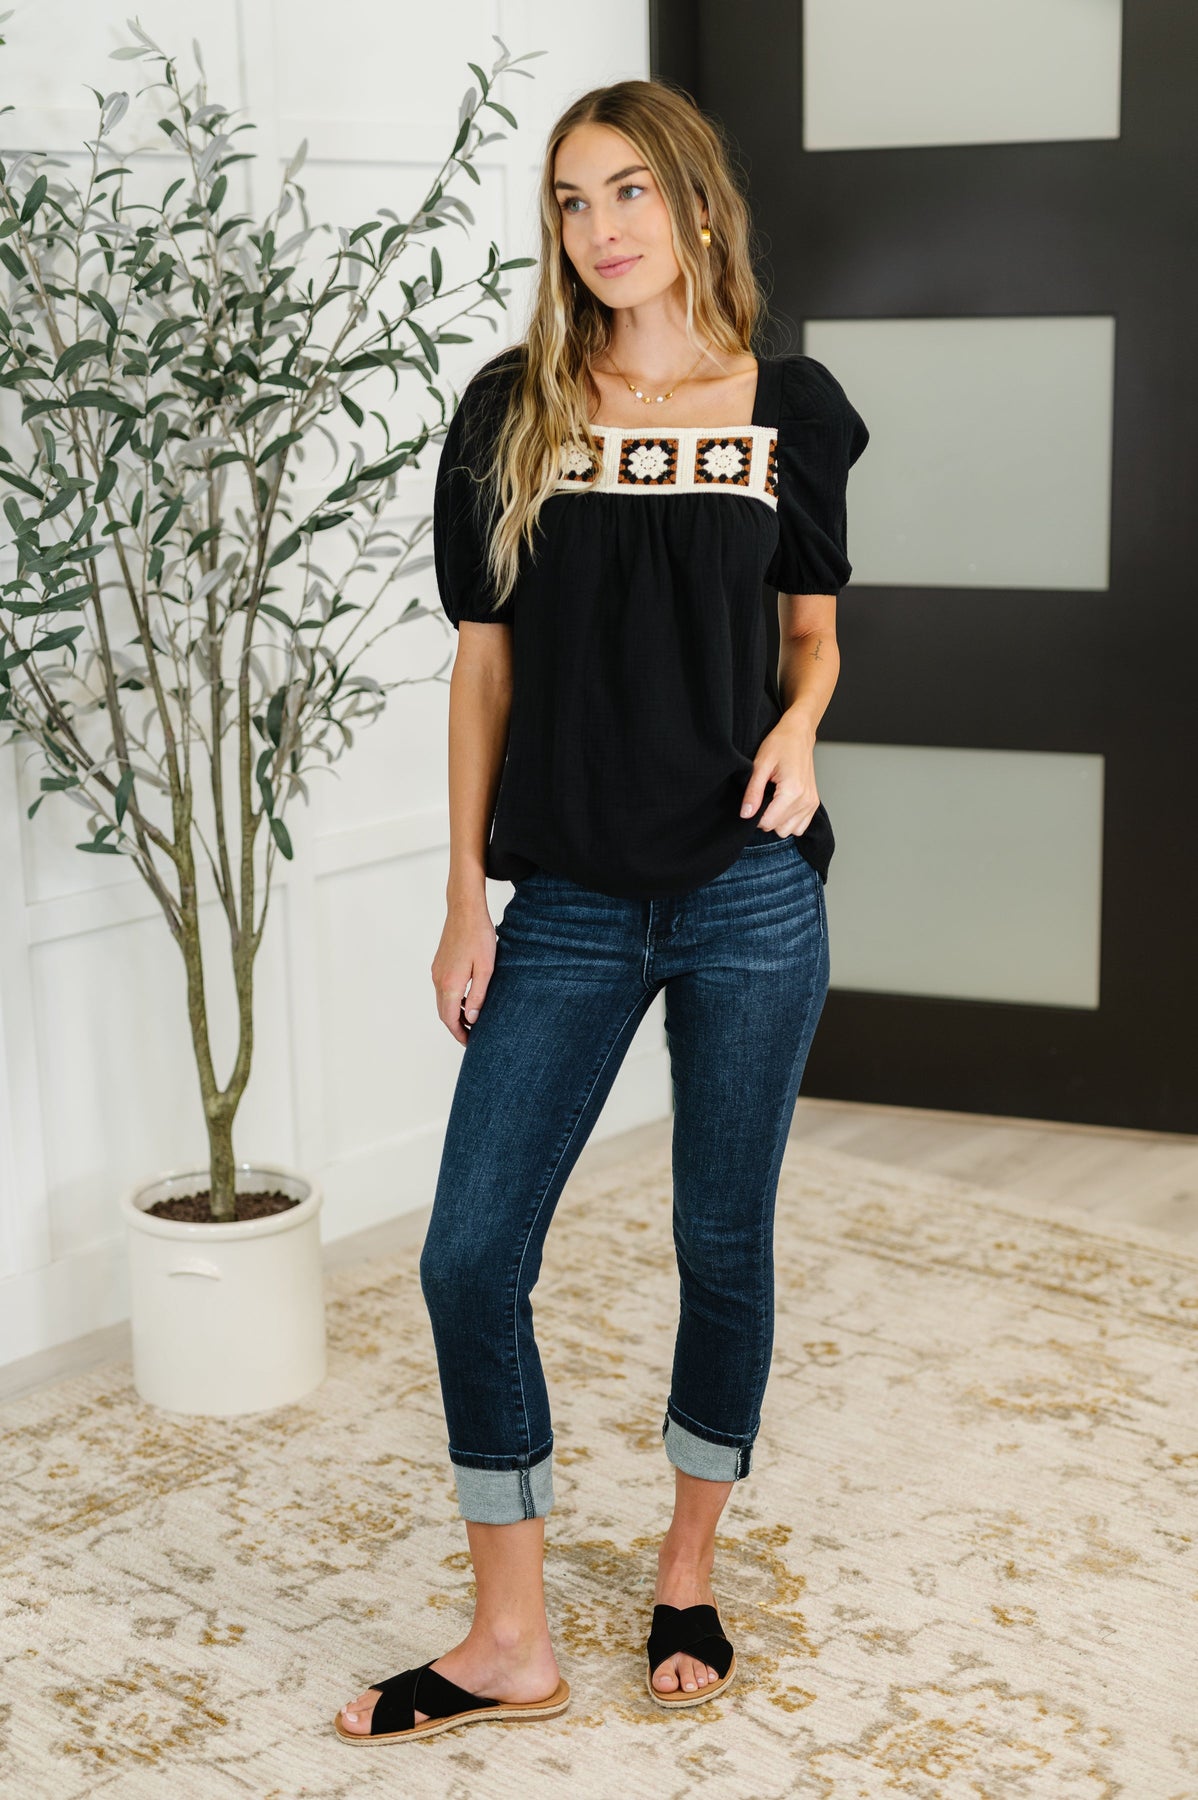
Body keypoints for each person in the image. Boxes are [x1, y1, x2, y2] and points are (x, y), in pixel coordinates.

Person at [335, 76, 869, 1747]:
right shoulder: (514, 410)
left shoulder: (788, 405)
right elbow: (481, 666)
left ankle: (683, 1571)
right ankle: (510, 1639)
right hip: (564, 892)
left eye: (629, 189)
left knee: (721, 1240)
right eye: (571, 199)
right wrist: (461, 893)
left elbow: (811, 636)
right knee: (468, 1255)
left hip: (749, 894)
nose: (600, 226)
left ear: (697, 205)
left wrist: (798, 730)